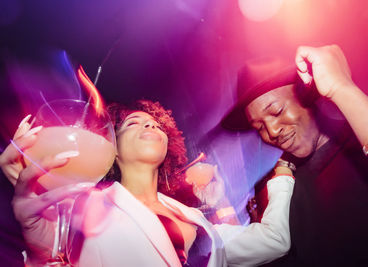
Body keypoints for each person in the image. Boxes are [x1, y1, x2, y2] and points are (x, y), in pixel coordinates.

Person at [2, 100, 295, 266]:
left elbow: (273, 241)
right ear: (111, 147)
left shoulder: (194, 221)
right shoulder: (83, 206)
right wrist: (43, 248)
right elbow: (53, 251)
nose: (150, 125)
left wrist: (282, 173)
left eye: (155, 124)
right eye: (133, 123)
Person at [221, 45, 368, 266]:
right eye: (259, 127)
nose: (272, 132)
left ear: (306, 97)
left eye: (276, 111)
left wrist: (342, 88)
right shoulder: (274, 188)